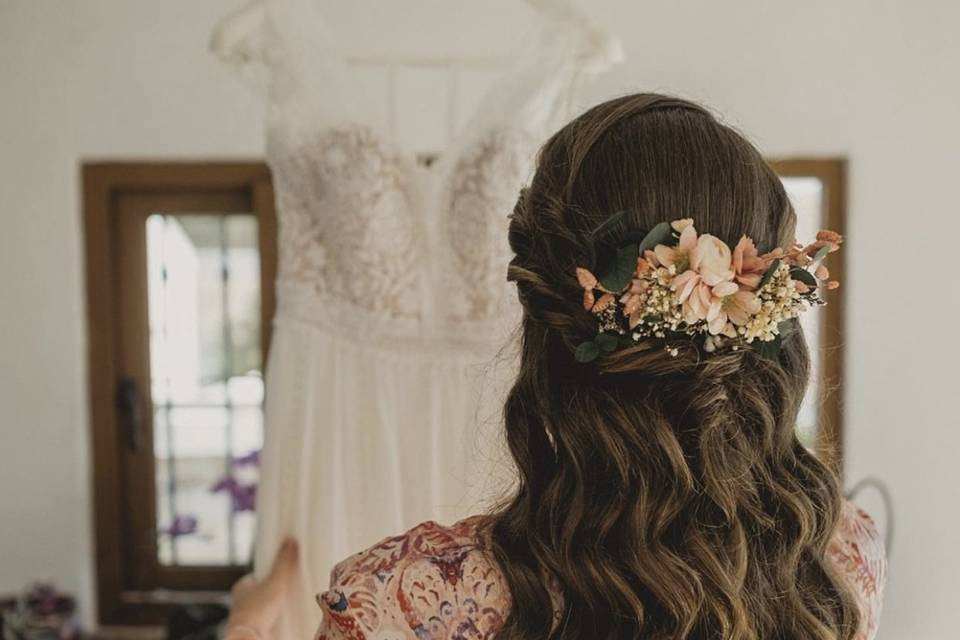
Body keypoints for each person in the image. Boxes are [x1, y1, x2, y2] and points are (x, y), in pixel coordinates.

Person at [223, 93, 886, 640]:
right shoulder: (839, 564)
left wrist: (247, 632)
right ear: (768, 316)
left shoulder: (395, 602)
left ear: (549, 333)